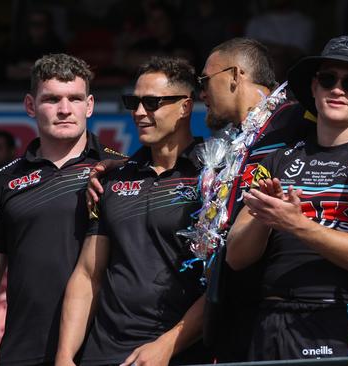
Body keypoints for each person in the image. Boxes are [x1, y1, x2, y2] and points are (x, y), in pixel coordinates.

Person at [86, 37, 348, 362]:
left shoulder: (294, 118)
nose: (201, 93)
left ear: (235, 76)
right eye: (327, 80)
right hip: (251, 320)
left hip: (321, 317)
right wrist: (122, 166)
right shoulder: (235, 143)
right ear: (315, 85)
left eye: (204, 81)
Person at [225, 35, 348, 360]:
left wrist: (298, 225)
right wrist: (266, 220)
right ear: (314, 87)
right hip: (269, 321)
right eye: (328, 79)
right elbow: (236, 257)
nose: (337, 89)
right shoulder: (277, 160)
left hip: (332, 318)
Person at [0, 53, 125, 366]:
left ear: (91, 105)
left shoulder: (122, 172)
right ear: (30, 105)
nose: (65, 109)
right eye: (52, 99)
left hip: (104, 350)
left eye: (75, 98)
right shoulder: (4, 179)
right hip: (23, 349)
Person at [56, 56, 209, 366]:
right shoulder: (112, 177)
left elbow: (225, 281)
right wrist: (64, 356)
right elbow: (88, 273)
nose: (139, 113)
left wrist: (168, 345)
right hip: (103, 353)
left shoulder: (214, 174)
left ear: (185, 106)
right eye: (133, 102)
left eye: (151, 102)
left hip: (179, 352)